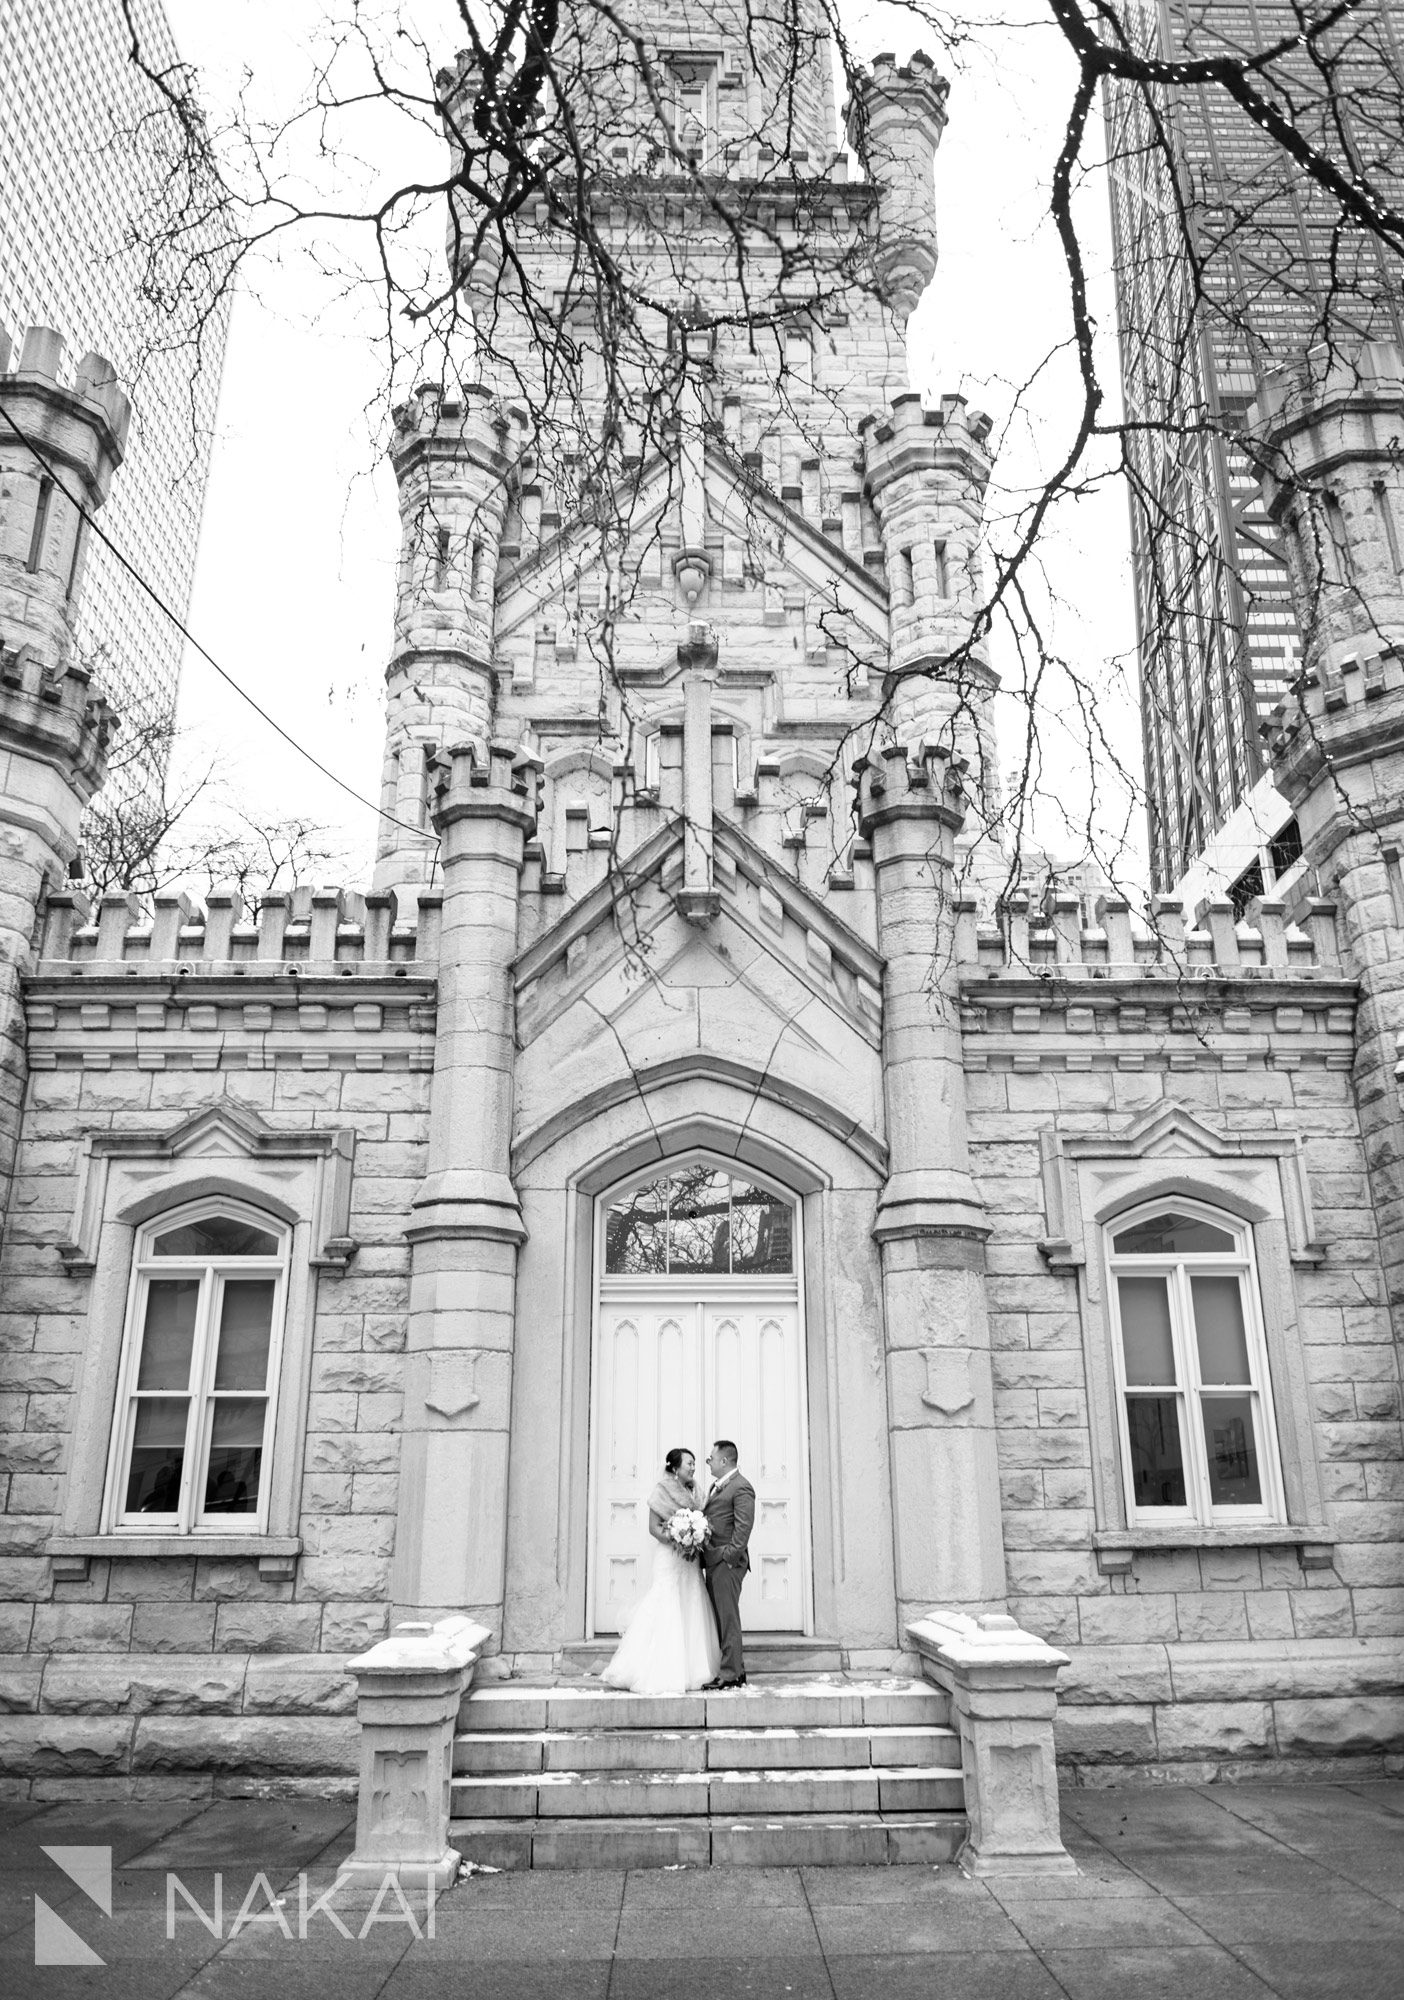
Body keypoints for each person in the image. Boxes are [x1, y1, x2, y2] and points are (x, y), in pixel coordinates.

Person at [601, 1447, 721, 1695]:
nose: (693, 1467)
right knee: (667, 1605)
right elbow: (653, 1527)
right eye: (689, 1463)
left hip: (690, 1561)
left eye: (694, 1463)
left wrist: (694, 1538)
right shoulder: (661, 1491)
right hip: (670, 1557)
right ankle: (659, 1669)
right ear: (675, 1467)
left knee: (692, 1603)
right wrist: (678, 1538)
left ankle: (695, 1669)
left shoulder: (698, 1491)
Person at [701, 1439, 755, 1690]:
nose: (708, 1462)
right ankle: (738, 1670)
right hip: (714, 1561)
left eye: (710, 1458)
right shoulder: (717, 1485)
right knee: (723, 1618)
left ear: (724, 1461)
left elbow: (743, 1529)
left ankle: (730, 1674)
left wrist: (728, 1557)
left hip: (726, 1563)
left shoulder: (741, 1487)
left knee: (728, 1618)